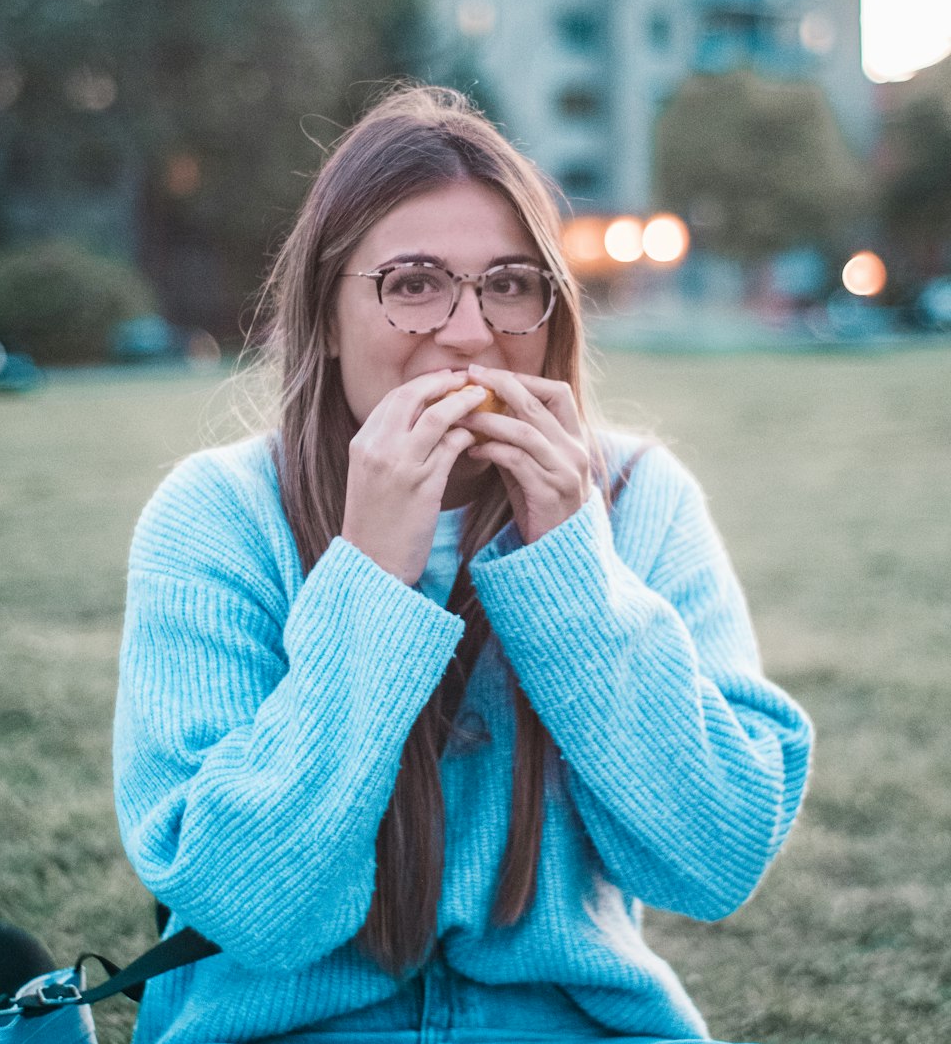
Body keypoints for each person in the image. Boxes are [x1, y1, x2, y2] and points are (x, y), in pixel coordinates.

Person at [113, 84, 813, 1044]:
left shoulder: (641, 500)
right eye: (411, 282)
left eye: (511, 282)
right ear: (326, 309)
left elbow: (713, 858)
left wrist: (574, 566)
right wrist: (367, 578)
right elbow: (254, 910)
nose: (472, 332)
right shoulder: (219, 516)